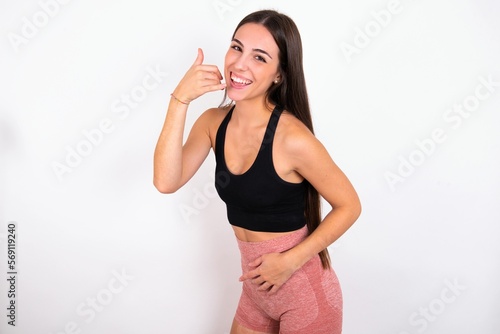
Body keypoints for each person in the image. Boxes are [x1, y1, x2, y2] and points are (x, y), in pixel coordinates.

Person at [153, 9, 361, 334]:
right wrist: (179, 100)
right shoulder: (212, 123)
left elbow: (350, 205)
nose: (239, 64)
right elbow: (166, 181)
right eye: (236, 48)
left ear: (279, 74)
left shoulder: (293, 139)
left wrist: (290, 261)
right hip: (256, 293)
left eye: (259, 57)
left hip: (304, 292)